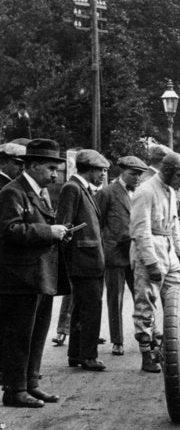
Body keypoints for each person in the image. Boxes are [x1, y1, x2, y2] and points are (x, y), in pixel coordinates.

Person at [0, 139, 68, 407]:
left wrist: (58, 235)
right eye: (51, 168)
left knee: (37, 332)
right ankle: (15, 390)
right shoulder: (12, 193)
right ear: (34, 165)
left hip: (39, 275)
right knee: (19, 334)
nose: (54, 174)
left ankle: (30, 383)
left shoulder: (39, 191)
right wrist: (49, 232)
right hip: (19, 278)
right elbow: (9, 230)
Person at [130, 152, 180, 374]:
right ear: (166, 171)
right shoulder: (145, 191)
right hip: (150, 252)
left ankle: (175, 346)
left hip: (169, 251)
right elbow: (140, 230)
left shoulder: (171, 192)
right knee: (146, 304)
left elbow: (174, 227)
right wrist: (151, 262)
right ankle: (147, 353)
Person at [57, 149, 110, 372]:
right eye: (100, 171)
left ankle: (76, 353)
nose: (103, 175)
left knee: (81, 308)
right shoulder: (72, 188)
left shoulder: (83, 189)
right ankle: (88, 356)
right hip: (82, 262)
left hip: (88, 261)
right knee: (91, 309)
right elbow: (64, 226)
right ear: (88, 169)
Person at [95, 155, 147, 357]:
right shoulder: (107, 193)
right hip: (115, 254)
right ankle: (117, 341)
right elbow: (97, 223)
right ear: (122, 172)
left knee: (141, 297)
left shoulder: (141, 193)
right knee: (114, 300)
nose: (137, 178)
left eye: (140, 175)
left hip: (135, 253)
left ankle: (147, 334)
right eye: (133, 174)